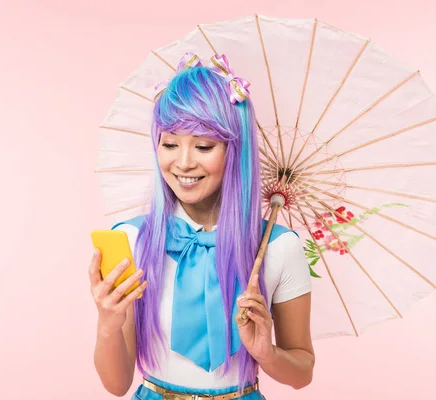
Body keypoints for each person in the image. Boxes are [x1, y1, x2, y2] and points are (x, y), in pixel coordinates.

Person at [89, 52, 315, 399]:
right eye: (169, 143)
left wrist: (267, 353)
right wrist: (108, 324)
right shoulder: (132, 241)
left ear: (234, 149)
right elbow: (117, 385)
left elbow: (301, 374)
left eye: (204, 145)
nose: (182, 162)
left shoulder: (279, 247)